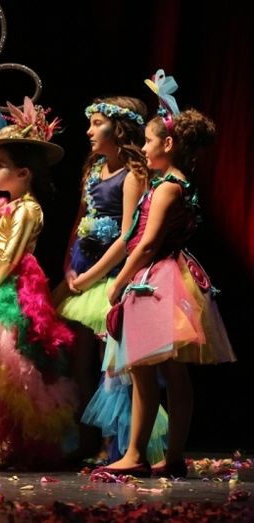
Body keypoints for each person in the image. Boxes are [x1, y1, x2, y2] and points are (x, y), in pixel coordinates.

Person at [93, 71, 236, 478]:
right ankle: (163, 455)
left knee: (148, 370)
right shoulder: (169, 183)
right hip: (161, 276)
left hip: (157, 279)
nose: (143, 147)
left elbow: (149, 241)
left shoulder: (169, 187)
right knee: (159, 371)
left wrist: (119, 281)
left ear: (168, 144)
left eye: (150, 141)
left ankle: (143, 454)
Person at [0, 98, 78, 470]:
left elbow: (10, 257)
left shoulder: (28, 208)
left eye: (1, 166)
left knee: (10, 370)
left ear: (24, 172)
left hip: (12, 291)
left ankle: (6, 442)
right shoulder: (2, 208)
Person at [51, 96, 165, 464]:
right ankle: (82, 439)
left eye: (96, 123)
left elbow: (127, 236)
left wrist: (91, 277)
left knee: (111, 363)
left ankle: (115, 444)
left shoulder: (131, 176)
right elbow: (79, 220)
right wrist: (70, 267)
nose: (88, 130)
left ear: (117, 129)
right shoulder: (92, 170)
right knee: (77, 358)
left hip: (110, 274)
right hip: (82, 270)